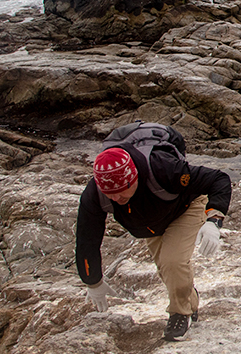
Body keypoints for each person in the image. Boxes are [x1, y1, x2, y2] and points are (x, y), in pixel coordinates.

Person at [75, 122, 231, 342]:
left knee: (172, 261)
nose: (116, 199)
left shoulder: (162, 168)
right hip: (150, 221)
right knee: (167, 271)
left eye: (121, 192)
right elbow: (87, 238)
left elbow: (218, 179)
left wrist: (213, 220)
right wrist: (93, 282)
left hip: (185, 207)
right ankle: (189, 300)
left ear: (134, 178)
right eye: (111, 195)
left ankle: (180, 314)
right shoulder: (95, 195)